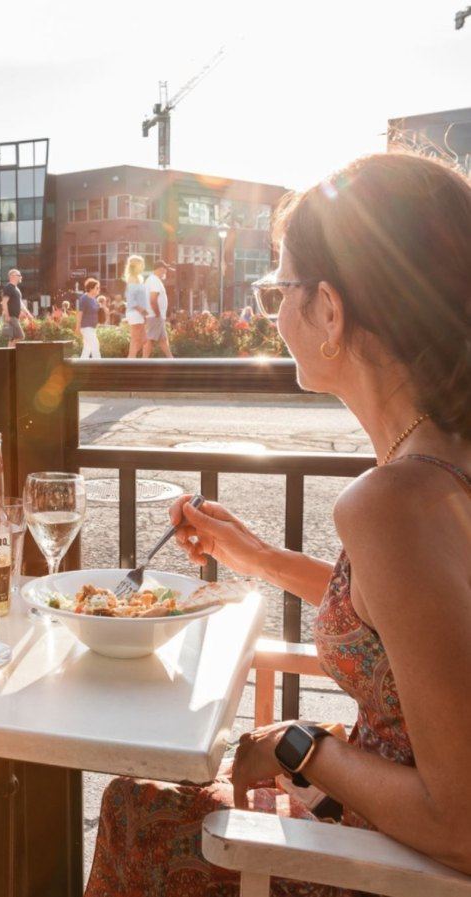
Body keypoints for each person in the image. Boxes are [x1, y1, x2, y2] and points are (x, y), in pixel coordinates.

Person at [85, 152, 471, 896]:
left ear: (329, 309)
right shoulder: (445, 466)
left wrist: (299, 745)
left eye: (278, 290)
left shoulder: (394, 500)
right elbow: (420, 624)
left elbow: (461, 823)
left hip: (394, 867)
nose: (276, 313)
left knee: (137, 807)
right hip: (382, 833)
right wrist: (257, 555)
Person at [143, 260, 173, 358]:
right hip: (155, 315)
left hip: (155, 315)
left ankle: (171, 360)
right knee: (150, 339)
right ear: (160, 269)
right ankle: (142, 362)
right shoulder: (154, 281)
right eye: (165, 269)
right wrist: (157, 314)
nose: (166, 272)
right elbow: (153, 299)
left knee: (163, 340)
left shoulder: (152, 280)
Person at [123, 255, 148, 358]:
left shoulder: (138, 278)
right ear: (137, 265)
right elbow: (131, 299)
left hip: (138, 312)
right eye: (141, 264)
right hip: (135, 312)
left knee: (143, 339)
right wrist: (142, 311)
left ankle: (130, 360)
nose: (143, 266)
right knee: (136, 339)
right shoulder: (132, 278)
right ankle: (129, 362)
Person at [76, 278, 101, 360]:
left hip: (92, 328)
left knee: (87, 349)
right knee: (95, 345)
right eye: (97, 288)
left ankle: (80, 366)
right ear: (91, 288)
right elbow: (80, 313)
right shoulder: (84, 298)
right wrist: (77, 327)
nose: (98, 289)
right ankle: (99, 366)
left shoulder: (94, 299)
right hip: (86, 327)